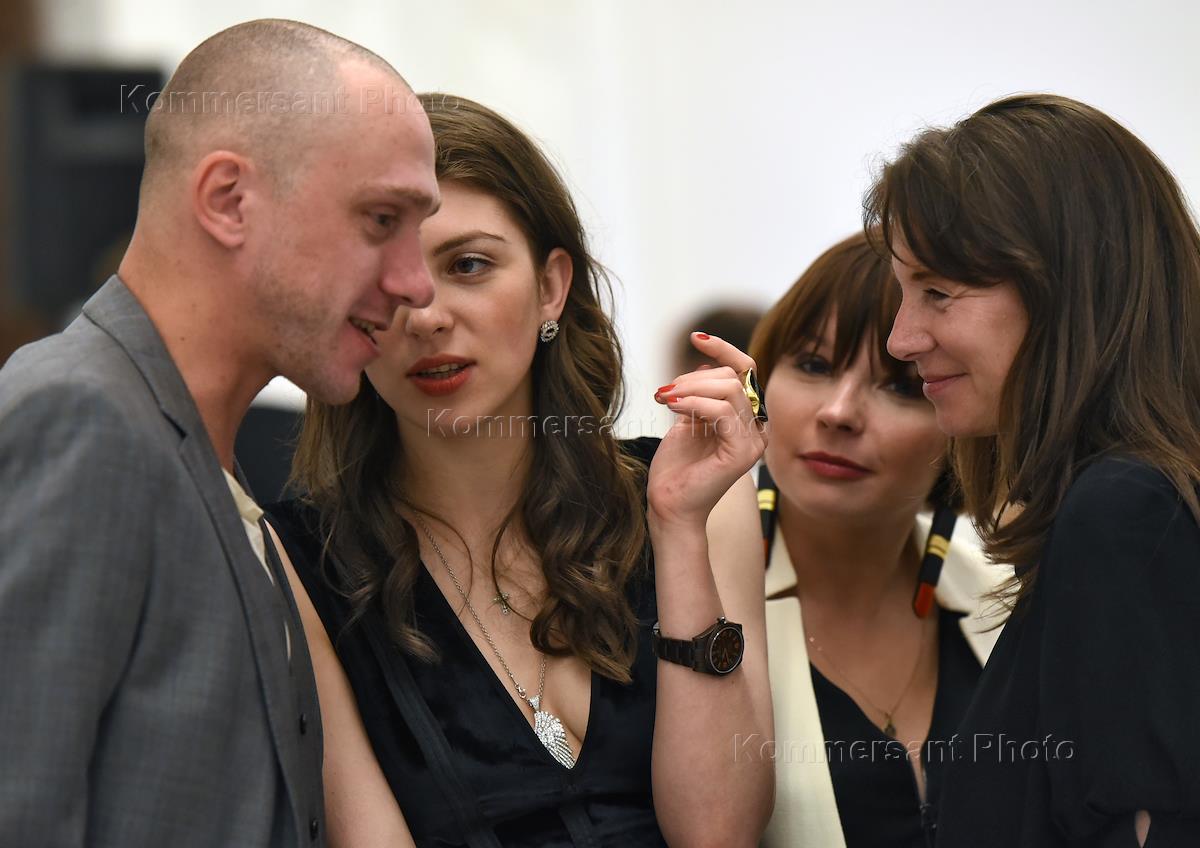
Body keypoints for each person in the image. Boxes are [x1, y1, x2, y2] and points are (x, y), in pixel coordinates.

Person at [265, 93, 775, 847]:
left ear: (551, 287)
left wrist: (675, 530)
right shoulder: (300, 562)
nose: (427, 315)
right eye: (386, 277)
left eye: (468, 265)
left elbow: (720, 833)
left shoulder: (696, 504)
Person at [0, 19, 440, 847]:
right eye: (382, 219)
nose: (417, 283)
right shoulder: (82, 420)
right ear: (228, 200)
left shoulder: (202, 450)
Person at [869, 93, 1200, 847]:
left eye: (937, 293)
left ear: (1067, 289)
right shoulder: (1135, 498)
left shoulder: (1125, 509)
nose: (901, 339)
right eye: (903, 294)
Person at [748, 231, 1005, 848]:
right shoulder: (684, 600)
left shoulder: (1011, 599)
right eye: (813, 365)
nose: (839, 412)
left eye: (901, 386)